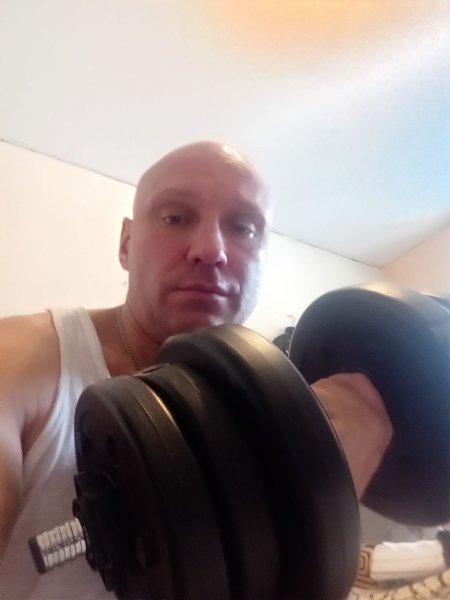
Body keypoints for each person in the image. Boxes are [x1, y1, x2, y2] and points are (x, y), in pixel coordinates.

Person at [0, 141, 393, 599]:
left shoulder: (280, 418)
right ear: (126, 243)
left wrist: (322, 506)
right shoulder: (21, 359)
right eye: (175, 217)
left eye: (243, 227)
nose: (210, 250)